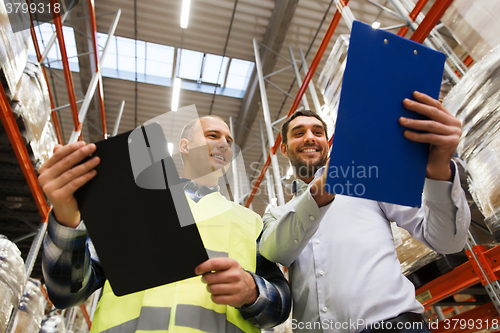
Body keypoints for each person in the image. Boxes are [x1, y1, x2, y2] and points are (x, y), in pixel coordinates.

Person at [39, 115, 291, 332]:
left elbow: (280, 305)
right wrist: (67, 218)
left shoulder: (251, 221)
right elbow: (67, 291)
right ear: (185, 146)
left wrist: (253, 291)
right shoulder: (132, 205)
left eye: (229, 140)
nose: (224, 144)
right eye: (213, 135)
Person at [260, 92, 471, 333]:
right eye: (299, 133)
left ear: (327, 145)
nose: (310, 138)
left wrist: (439, 169)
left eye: (318, 132)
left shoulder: (368, 184)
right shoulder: (277, 214)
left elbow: (447, 241)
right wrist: (321, 191)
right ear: (285, 149)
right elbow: (275, 251)